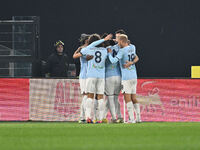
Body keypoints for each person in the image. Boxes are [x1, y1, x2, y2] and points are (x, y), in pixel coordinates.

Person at [108, 34, 141, 123]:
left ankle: (131, 119)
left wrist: (109, 53)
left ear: (122, 41)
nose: (118, 44)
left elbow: (113, 61)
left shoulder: (122, 51)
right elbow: (137, 58)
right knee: (134, 97)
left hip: (126, 78)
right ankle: (138, 118)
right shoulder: (132, 47)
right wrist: (131, 62)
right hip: (134, 76)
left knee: (128, 98)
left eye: (118, 42)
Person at [82, 33, 113, 123]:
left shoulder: (89, 48)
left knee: (90, 97)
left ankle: (88, 117)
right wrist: (106, 42)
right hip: (101, 76)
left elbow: (84, 51)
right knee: (100, 97)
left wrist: (103, 40)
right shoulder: (104, 51)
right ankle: (100, 118)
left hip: (91, 76)